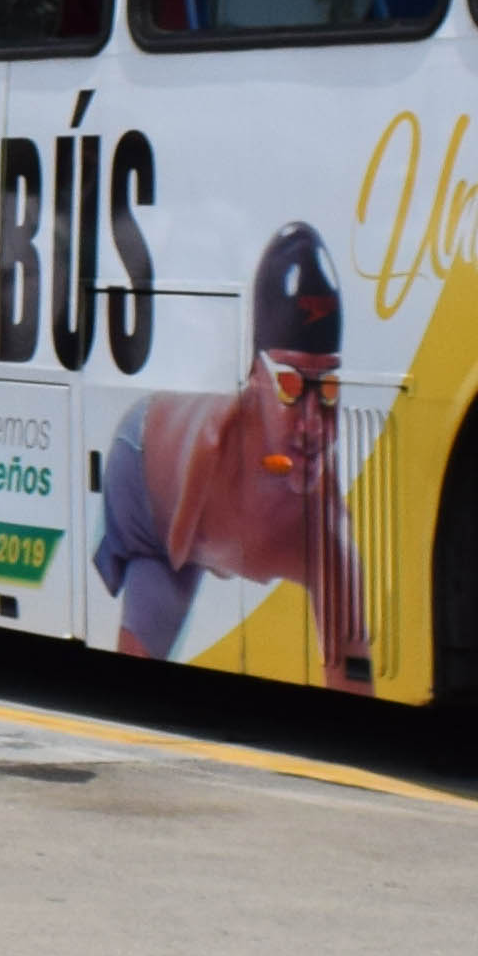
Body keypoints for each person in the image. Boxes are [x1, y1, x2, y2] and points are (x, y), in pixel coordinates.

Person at [94, 225, 375, 686]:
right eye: (289, 386)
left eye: (327, 388)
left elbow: (353, 677)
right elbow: (178, 548)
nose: (311, 424)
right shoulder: (212, 445)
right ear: (255, 378)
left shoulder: (327, 535)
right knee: (150, 627)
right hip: (140, 470)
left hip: (197, 522)